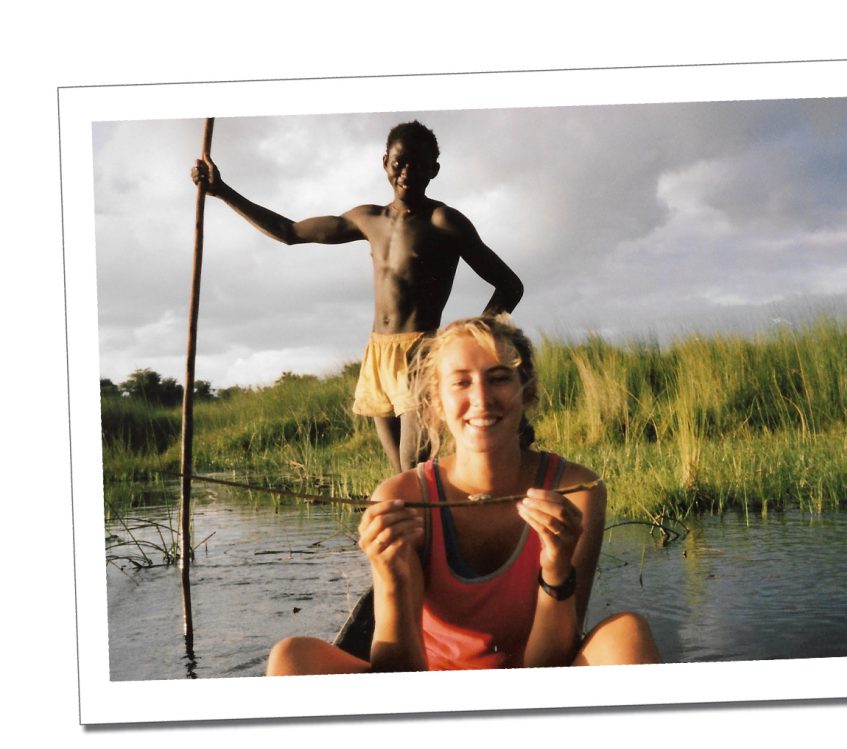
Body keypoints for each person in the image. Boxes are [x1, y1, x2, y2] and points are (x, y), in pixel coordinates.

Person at [266, 315, 660, 674]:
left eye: (499, 377)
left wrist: (556, 568)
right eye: (461, 382)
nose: (482, 399)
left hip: (534, 686)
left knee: (627, 634)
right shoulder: (402, 496)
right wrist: (391, 577)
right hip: (427, 688)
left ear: (527, 393)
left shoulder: (574, 491)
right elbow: (396, 676)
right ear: (437, 402)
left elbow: (549, 666)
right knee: (291, 659)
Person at [192, 120, 523, 473]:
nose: (407, 172)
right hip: (378, 353)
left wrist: (467, 339)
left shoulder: (444, 221)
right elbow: (289, 232)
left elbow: (510, 285)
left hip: (422, 353)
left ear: (434, 170)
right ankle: (420, 525)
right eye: (400, 163)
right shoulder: (368, 218)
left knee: (416, 464)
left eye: (419, 165)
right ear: (385, 163)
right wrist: (223, 191)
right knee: (401, 473)